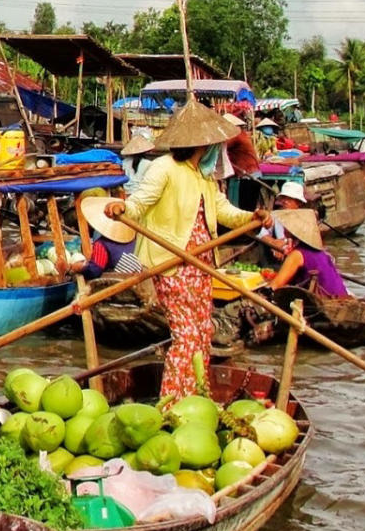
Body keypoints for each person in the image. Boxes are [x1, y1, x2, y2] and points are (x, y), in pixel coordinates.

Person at [104, 101, 266, 399]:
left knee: (203, 332)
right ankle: (172, 402)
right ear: (202, 144)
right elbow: (140, 202)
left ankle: (196, 395)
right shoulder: (164, 168)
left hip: (202, 265)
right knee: (186, 335)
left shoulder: (204, 176)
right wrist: (122, 208)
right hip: (173, 262)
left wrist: (251, 218)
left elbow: (223, 211)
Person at [266, 209, 350, 299]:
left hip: (326, 302)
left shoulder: (297, 255)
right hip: (342, 296)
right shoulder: (321, 253)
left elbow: (274, 286)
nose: (284, 228)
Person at [78, 196, 141, 277]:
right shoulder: (133, 238)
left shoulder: (102, 244)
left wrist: (80, 268)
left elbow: (95, 270)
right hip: (143, 274)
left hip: (127, 279)